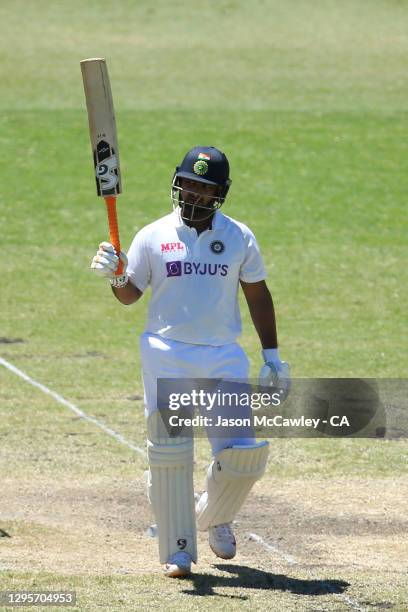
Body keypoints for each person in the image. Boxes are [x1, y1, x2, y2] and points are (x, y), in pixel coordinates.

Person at [91, 146, 290, 577]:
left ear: (220, 193)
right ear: (178, 183)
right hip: (166, 354)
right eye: (190, 184)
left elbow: (257, 294)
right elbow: (129, 296)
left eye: (205, 187)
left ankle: (215, 516)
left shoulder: (238, 236)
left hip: (223, 356)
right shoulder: (153, 234)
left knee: (242, 455)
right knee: (169, 454)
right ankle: (177, 547)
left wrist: (271, 354)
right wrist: (116, 275)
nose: (195, 194)